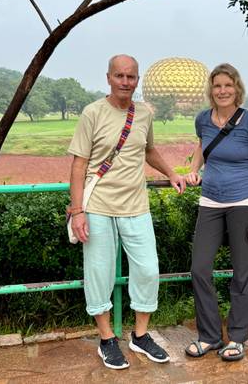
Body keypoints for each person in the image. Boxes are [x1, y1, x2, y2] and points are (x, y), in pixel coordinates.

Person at [68, 54, 186, 370]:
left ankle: (140, 335)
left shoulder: (143, 114)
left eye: (130, 77)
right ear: (108, 78)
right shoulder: (92, 113)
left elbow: (148, 151)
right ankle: (107, 340)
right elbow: (79, 164)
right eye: (119, 76)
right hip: (98, 208)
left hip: (136, 205)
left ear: (137, 79)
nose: (125, 82)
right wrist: (77, 211)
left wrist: (171, 173)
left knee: (148, 269)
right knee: (99, 272)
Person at [184, 63, 248, 362]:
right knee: (200, 268)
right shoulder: (203, 119)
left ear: (237, 88)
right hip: (210, 202)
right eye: (217, 86)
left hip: (243, 201)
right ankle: (209, 336)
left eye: (227, 85)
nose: (222, 91)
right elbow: (201, 146)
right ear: (211, 89)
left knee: (241, 272)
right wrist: (194, 170)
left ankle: (238, 337)